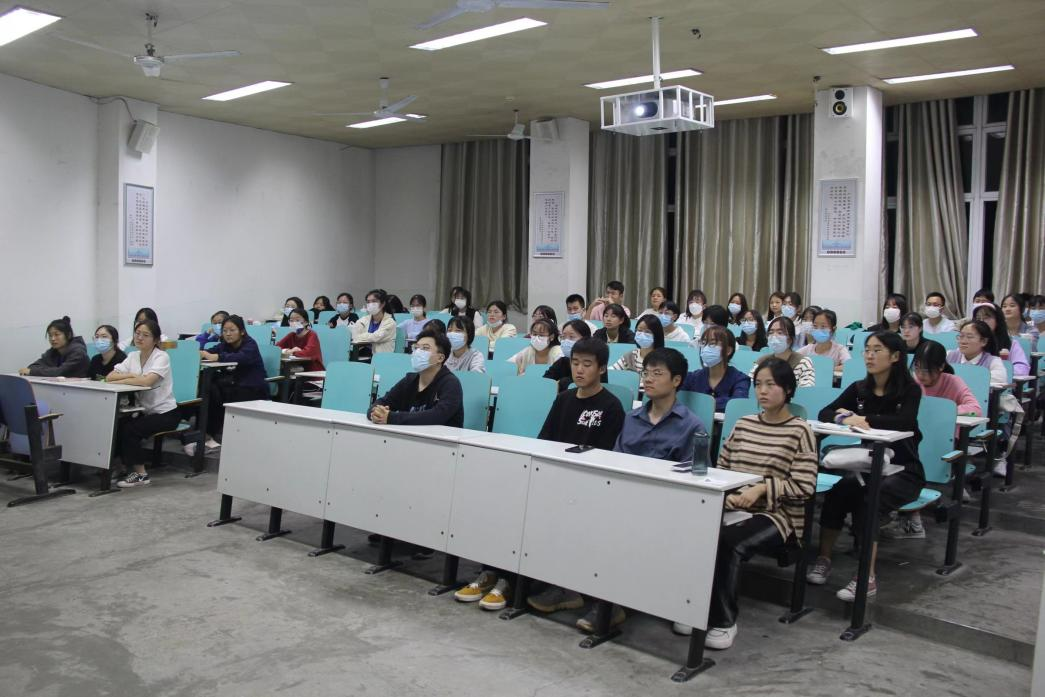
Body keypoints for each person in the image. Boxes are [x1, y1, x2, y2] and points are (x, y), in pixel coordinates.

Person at [675, 357, 817, 648]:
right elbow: (722, 468)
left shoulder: (800, 431)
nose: (762, 391)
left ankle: (723, 620)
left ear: (788, 390)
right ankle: (692, 606)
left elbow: (804, 487)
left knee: (728, 542)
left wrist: (762, 489)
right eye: (758, 384)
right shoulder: (744, 424)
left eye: (771, 385)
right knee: (689, 528)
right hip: (734, 505)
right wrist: (729, 494)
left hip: (776, 515)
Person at [574, 347, 706, 634]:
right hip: (624, 497)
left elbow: (693, 481)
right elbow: (615, 461)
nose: (648, 379)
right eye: (645, 373)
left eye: (657, 374)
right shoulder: (631, 418)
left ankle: (612, 605)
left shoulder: (692, 426)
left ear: (676, 381)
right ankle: (585, 592)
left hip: (665, 505)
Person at [807, 331, 924, 600]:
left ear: (895, 356)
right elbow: (825, 412)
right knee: (838, 493)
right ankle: (824, 559)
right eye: (867, 350)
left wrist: (862, 419)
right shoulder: (859, 389)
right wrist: (845, 418)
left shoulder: (910, 390)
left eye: (877, 350)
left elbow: (904, 422)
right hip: (868, 467)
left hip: (904, 470)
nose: (869, 356)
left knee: (871, 499)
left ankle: (866, 576)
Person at [526, 338, 626, 616]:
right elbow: (544, 440)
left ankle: (566, 587)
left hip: (589, 483)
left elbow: (607, 455)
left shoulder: (611, 406)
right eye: (575, 363)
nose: (579, 370)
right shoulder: (563, 399)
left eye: (587, 364)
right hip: (556, 477)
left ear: (602, 368)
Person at [883, 341, 982, 540]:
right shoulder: (911, 384)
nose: (920, 375)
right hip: (914, 442)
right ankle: (902, 518)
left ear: (941, 367)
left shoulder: (953, 382)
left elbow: (975, 409)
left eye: (927, 370)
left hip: (942, 442)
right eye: (917, 368)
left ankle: (911, 522)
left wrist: (946, 410)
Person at [106, 319, 181, 488]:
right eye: (137, 333)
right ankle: (120, 467)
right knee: (117, 424)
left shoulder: (161, 357)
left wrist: (126, 379)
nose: (139, 337)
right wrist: (133, 376)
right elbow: (110, 377)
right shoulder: (133, 356)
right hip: (144, 411)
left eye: (145, 335)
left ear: (155, 340)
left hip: (166, 413)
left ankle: (141, 475)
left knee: (131, 429)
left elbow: (147, 382)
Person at [193, 314, 270, 454]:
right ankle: (204, 435)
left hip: (252, 388)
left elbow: (240, 357)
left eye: (232, 330)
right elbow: (209, 352)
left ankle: (210, 434)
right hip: (232, 385)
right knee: (208, 390)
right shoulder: (224, 345)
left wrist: (217, 357)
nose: (228, 334)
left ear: (242, 331)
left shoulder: (250, 344)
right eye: (225, 331)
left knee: (216, 394)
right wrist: (203, 353)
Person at [368, 329, 464, 427]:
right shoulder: (409, 380)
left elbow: (437, 415)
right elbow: (382, 402)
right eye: (416, 347)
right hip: (408, 435)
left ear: (440, 358)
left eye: (425, 348)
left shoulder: (451, 383)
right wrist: (376, 412)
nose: (418, 352)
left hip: (441, 436)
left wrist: (391, 417)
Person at [681, 325, 751, 411]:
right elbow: (678, 399)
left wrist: (697, 402)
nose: (706, 348)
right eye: (703, 343)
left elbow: (737, 405)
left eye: (712, 344)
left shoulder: (740, 379)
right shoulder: (692, 377)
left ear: (728, 350)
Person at [543, 319, 607, 391]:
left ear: (585, 339)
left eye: (572, 337)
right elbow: (545, 381)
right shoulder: (562, 361)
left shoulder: (595, 360)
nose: (566, 341)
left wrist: (562, 382)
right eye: (563, 337)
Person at [750, 317, 815, 387]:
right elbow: (750, 385)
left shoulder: (803, 362)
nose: (774, 336)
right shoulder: (762, 362)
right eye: (771, 333)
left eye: (780, 333)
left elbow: (807, 390)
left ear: (790, 339)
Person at [19, 317, 89, 378]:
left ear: (69, 335)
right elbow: (33, 366)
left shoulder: (78, 352)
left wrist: (32, 372)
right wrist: (34, 371)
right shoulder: (53, 351)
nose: (52, 339)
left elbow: (59, 372)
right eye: (50, 335)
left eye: (57, 334)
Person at [972, 304, 1029, 375]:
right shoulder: (969, 342)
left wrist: (997, 371)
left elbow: (1022, 369)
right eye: (978, 318)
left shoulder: (1011, 344)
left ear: (997, 320)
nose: (981, 321)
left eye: (986, 317)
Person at [351, 289, 397, 357]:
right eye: (368, 302)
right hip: (362, 355)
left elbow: (376, 337)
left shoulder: (390, 322)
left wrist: (362, 336)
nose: (370, 304)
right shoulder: (363, 320)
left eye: (374, 301)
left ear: (382, 304)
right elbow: (354, 336)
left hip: (382, 357)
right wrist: (368, 337)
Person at [277, 308, 324, 372]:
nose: (294, 323)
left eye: (297, 320)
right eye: (291, 320)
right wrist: (288, 351)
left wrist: (291, 352)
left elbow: (307, 353)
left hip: (313, 372)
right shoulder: (291, 335)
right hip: (296, 371)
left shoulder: (312, 335)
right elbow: (276, 348)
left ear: (306, 322)